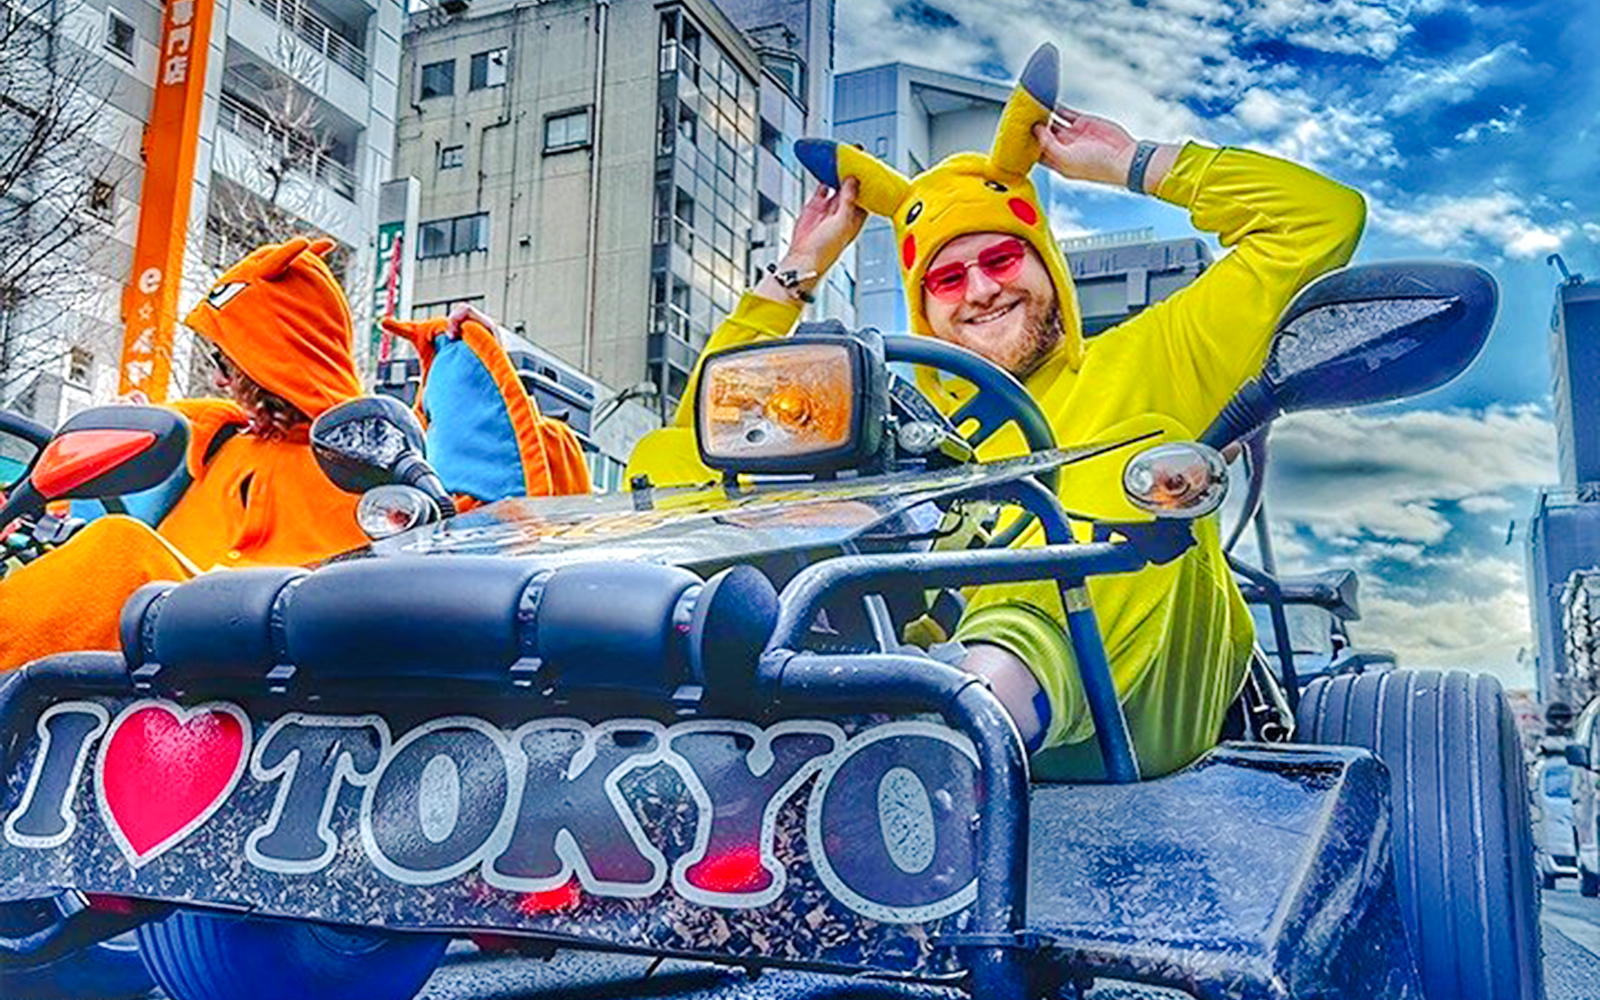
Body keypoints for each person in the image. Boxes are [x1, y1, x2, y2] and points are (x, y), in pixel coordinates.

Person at [626, 43, 1366, 780]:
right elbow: (700, 449)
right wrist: (797, 273)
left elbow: (1318, 219)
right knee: (725, 502)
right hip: (915, 705)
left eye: (1001, 260)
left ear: (1048, 262)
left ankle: (949, 739)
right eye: (947, 277)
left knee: (1126, 469)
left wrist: (1130, 162)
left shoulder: (1158, 354)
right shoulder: (908, 437)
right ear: (924, 306)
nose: (978, 291)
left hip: (1137, 736)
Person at [0, 236, 589, 669]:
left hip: (269, 655)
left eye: (229, 361)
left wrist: (466, 367)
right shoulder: (215, 438)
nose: (224, 380)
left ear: (274, 354)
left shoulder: (373, 448)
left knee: (120, 552)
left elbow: (484, 525)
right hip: (136, 659)